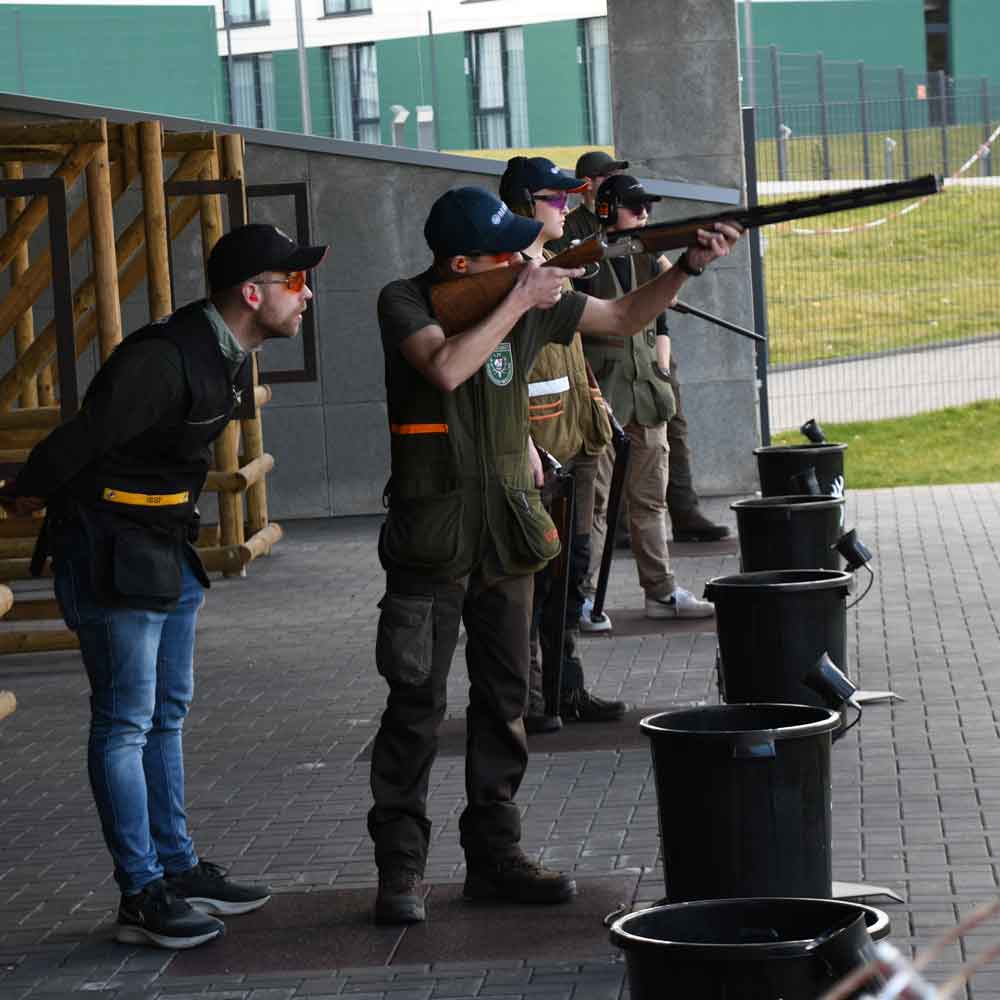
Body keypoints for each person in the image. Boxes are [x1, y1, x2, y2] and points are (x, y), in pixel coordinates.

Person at [370, 183, 740, 926]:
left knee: (506, 702)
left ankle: (495, 856)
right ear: (465, 261)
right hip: (433, 540)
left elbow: (624, 316)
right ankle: (400, 870)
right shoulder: (405, 300)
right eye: (510, 249)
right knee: (415, 706)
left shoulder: (528, 296)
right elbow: (445, 368)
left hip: (507, 533)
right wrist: (518, 298)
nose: (528, 252)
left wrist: (683, 268)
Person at [10, 224, 327, 950]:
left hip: (162, 547)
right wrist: (28, 491)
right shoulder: (165, 357)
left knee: (165, 714)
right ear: (254, 294)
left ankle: (176, 870)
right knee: (125, 722)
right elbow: (86, 437)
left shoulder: (226, 351)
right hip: (110, 551)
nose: (305, 295)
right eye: (294, 283)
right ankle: (139, 893)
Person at [497, 156, 625, 731]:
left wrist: (594, 405)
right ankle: (528, 696)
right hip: (535, 459)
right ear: (525, 204)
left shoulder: (550, 266)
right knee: (531, 585)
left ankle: (563, 688)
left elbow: (573, 354)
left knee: (569, 578)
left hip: (572, 445)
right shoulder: (507, 278)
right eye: (556, 198)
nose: (568, 206)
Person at [551, 151, 730, 550]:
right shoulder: (573, 231)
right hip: (601, 368)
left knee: (669, 436)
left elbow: (662, 285)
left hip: (646, 355)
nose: (642, 211)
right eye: (609, 177)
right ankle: (589, 572)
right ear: (591, 185)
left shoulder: (636, 236)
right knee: (594, 482)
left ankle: (679, 519)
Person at [579, 175, 716, 621]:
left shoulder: (648, 259)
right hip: (602, 398)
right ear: (605, 209)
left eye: (647, 208)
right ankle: (580, 596)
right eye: (633, 206)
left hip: (644, 396)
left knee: (650, 499)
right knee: (593, 506)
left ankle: (660, 591)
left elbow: (660, 321)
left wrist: (659, 368)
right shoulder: (582, 260)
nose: (643, 215)